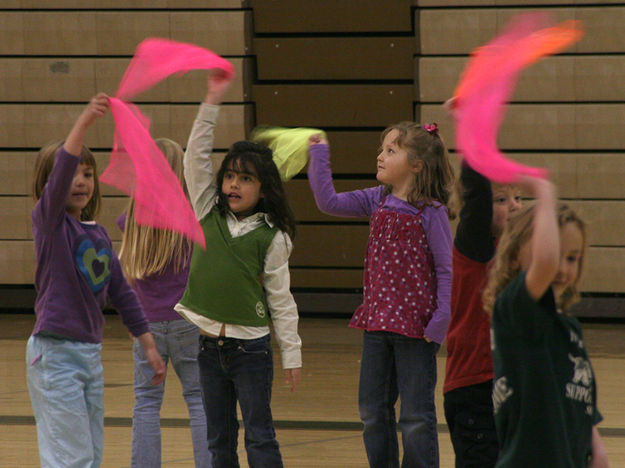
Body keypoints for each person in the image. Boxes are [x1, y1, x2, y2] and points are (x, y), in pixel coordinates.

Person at [27, 93, 165, 468]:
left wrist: (149, 345)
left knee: (89, 454)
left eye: (88, 173)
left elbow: (122, 293)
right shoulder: (51, 224)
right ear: (51, 183)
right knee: (70, 457)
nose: (80, 180)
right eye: (71, 173)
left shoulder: (100, 236)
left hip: (89, 355)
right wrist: (85, 122)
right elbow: (60, 177)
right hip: (54, 354)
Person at [174, 72, 302, 468]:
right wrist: (212, 99)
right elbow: (194, 153)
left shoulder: (273, 236)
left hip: (252, 350)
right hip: (208, 348)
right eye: (229, 176)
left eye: (245, 179)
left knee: (260, 438)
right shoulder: (206, 211)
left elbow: (281, 298)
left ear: (264, 189)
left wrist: (291, 353)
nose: (233, 184)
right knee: (219, 442)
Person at [307, 122, 455, 468]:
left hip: (417, 331)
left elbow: (447, 270)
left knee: (416, 417)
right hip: (376, 328)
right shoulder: (376, 199)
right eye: (382, 149)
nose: (380, 156)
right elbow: (328, 202)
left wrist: (440, 320)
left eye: (391, 150)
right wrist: (318, 155)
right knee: (373, 412)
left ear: (417, 164)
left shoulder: (430, 212)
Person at [483, 176, 609, 468]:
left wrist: (596, 448)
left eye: (572, 258)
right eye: (555, 253)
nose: (562, 268)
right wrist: (543, 192)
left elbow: (579, 393)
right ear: (514, 256)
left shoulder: (569, 328)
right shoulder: (513, 312)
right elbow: (545, 263)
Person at [117, 137, 209, 467]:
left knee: (145, 401)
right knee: (199, 400)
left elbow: (124, 272)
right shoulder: (192, 217)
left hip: (147, 327)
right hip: (189, 322)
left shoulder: (131, 219)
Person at [443, 161, 522, 468]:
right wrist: (472, 127)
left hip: (512, 382)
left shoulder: (516, 251)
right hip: (476, 388)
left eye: (517, 198)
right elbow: (476, 196)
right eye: (501, 200)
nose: (514, 206)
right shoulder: (476, 248)